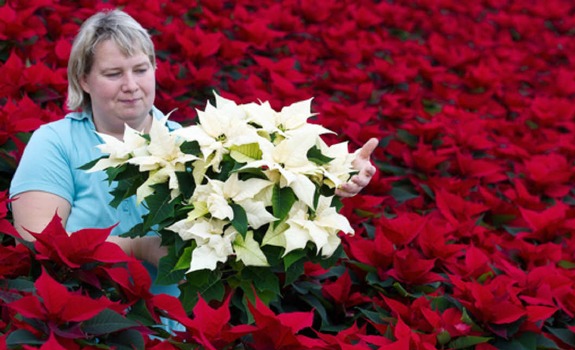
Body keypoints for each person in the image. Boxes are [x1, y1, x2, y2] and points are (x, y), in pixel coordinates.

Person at [10, 9, 378, 276]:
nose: (131, 85)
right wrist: (137, 248)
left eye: (140, 69)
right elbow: (38, 238)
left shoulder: (191, 144)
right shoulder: (55, 142)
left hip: (176, 336)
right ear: (84, 80)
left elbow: (263, 206)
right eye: (112, 74)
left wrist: (333, 178)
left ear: (154, 69)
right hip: (92, 327)